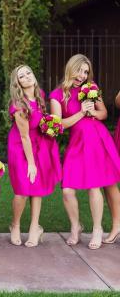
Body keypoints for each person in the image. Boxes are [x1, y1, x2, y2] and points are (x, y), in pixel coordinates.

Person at [50, 54, 120, 249]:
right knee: (67, 190)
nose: (82, 75)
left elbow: (104, 113)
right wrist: (81, 113)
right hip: (77, 143)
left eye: (86, 72)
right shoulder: (57, 94)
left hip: (97, 139)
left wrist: (92, 112)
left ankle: (98, 229)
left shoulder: (91, 88)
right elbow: (58, 125)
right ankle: (76, 226)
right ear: (70, 69)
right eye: (79, 70)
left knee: (95, 186)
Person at [8, 65, 61, 247]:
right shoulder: (19, 105)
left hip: (39, 144)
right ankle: (15, 225)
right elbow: (24, 136)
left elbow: (41, 120)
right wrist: (31, 163)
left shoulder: (40, 96)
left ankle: (34, 227)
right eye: (22, 76)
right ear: (18, 83)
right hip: (20, 146)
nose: (27, 77)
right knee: (22, 190)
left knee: (37, 187)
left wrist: (49, 127)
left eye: (29, 73)